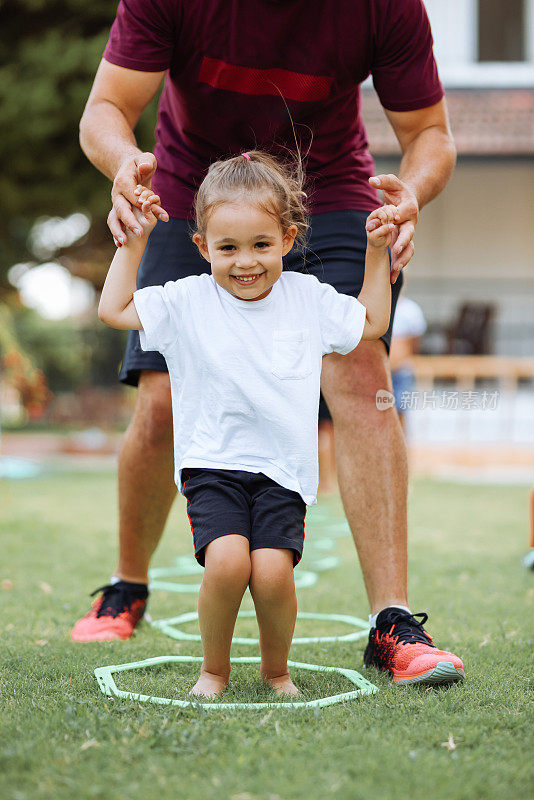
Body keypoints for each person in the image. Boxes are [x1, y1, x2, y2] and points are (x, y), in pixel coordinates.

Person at [73, 0, 464, 686]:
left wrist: (412, 196)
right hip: (189, 188)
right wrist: (125, 163)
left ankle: (394, 622)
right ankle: (127, 585)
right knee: (161, 397)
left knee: (361, 375)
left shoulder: (386, 7)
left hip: (332, 190)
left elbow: (429, 131)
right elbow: (105, 106)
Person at [96, 151, 398, 697]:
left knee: (274, 573)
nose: (245, 262)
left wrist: (377, 253)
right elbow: (114, 311)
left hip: (282, 470)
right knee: (229, 562)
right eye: (227, 248)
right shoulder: (187, 299)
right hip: (212, 464)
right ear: (202, 246)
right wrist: (134, 244)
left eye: (261, 245)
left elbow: (372, 322)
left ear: (288, 238)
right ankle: (214, 669)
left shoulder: (307, 298)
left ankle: (275, 670)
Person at [390, 295, 427, 434]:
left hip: (402, 371)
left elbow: (415, 342)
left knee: (400, 413)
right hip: (380, 371)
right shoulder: (376, 306)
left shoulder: (411, 310)